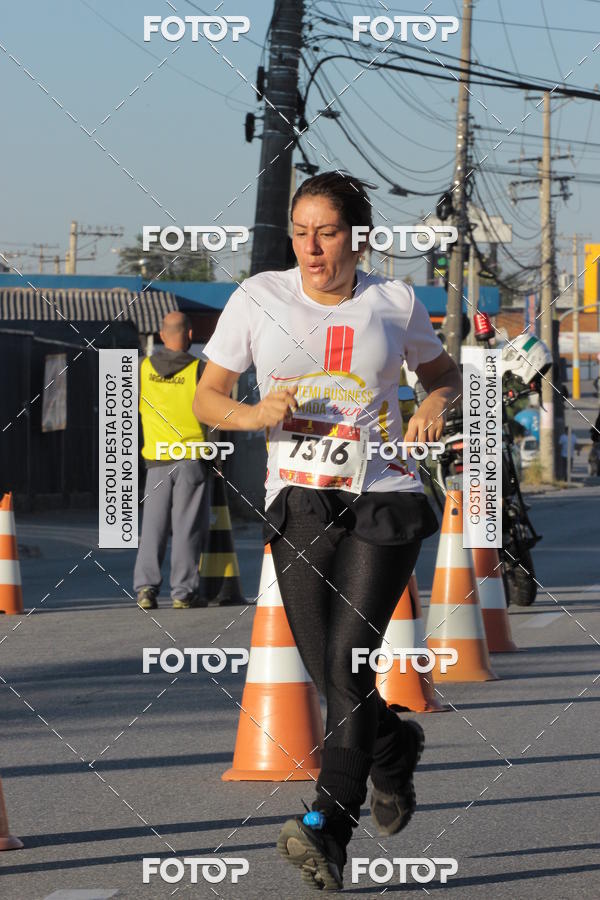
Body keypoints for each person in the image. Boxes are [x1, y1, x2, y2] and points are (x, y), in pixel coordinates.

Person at [193, 172, 462, 892]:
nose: (313, 248)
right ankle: (393, 747)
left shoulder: (394, 301)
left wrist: (434, 402)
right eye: (302, 232)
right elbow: (207, 396)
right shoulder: (258, 300)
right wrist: (254, 416)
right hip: (300, 502)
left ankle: (326, 826)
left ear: (356, 236)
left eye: (329, 232)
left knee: (349, 657)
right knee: (329, 672)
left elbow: (445, 374)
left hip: (383, 494)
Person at [134, 312, 211, 610]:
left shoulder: (142, 368)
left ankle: (145, 590)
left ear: (163, 336)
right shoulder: (199, 369)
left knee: (152, 527)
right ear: (190, 335)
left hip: (156, 460)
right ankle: (182, 593)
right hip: (191, 458)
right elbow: (212, 416)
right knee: (187, 527)